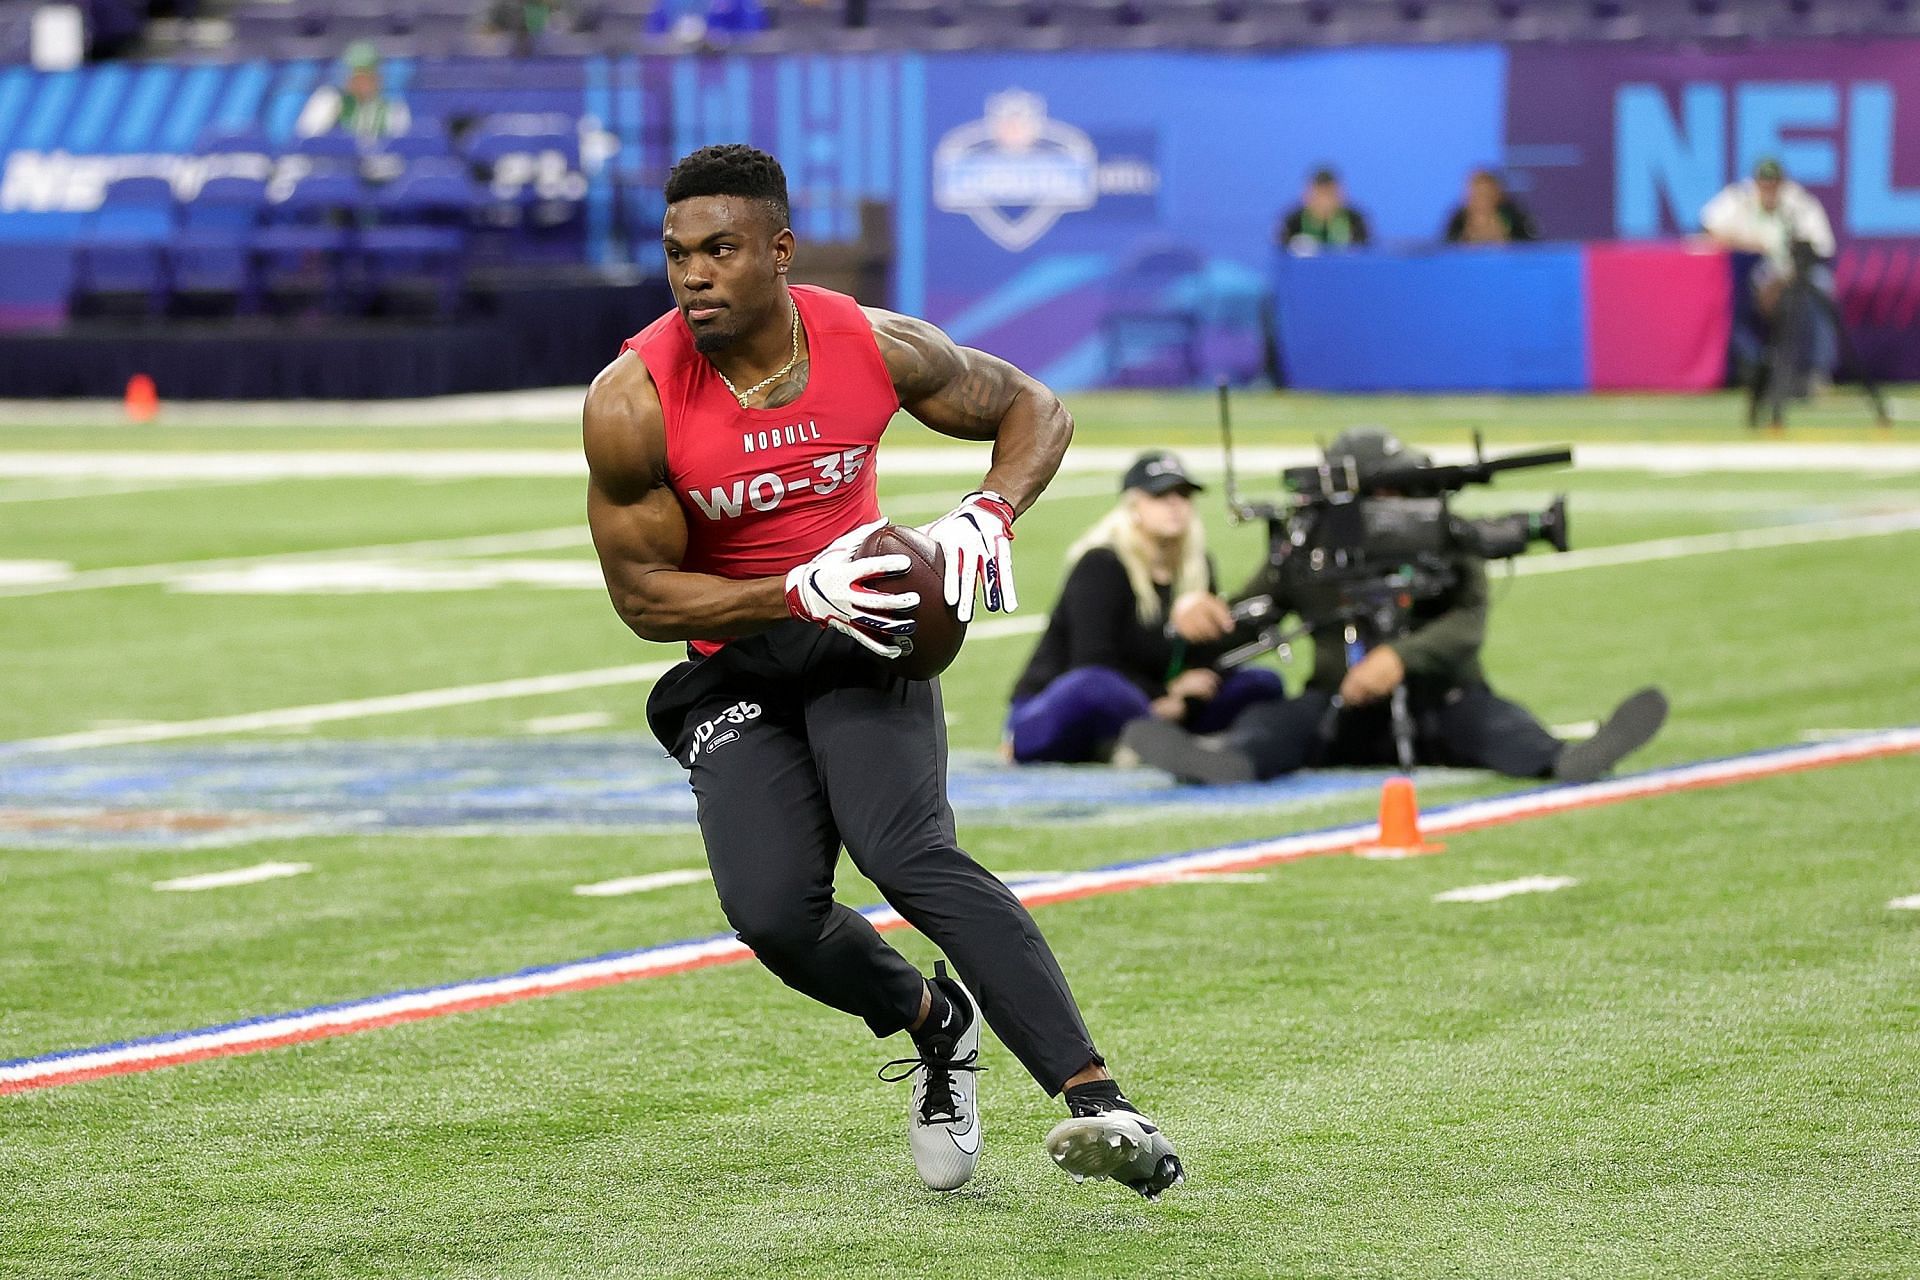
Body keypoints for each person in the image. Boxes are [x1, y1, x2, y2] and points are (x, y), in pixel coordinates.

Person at [582, 144, 1182, 1199]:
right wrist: (792, 589)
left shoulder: (869, 342)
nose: (693, 275)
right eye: (677, 253)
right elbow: (643, 597)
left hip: (868, 631)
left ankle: (1101, 1099)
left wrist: (990, 509)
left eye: (719, 249)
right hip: (738, 654)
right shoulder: (632, 398)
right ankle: (929, 1019)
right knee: (772, 912)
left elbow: (1035, 408)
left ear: (779, 249)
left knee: (907, 853)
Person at [1120, 427, 1668, 787]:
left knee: (1494, 722)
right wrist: (1203, 618)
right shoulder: (1309, 544)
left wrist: (1401, 659)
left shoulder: (1439, 531)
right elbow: (1258, 611)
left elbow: (1467, 623)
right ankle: (1224, 761)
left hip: (1440, 701)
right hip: (1341, 706)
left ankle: (1565, 759)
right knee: (1275, 721)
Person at [1006, 450, 1286, 764]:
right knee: (1095, 685)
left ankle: (1143, 742)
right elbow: (1091, 660)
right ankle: (1155, 741)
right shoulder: (1102, 563)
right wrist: (1164, 694)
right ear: (1134, 505)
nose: (1174, 505)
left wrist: (1186, 700)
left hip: (1161, 707)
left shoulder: (1197, 566)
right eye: (1160, 495)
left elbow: (1205, 659)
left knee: (1261, 682)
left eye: (1183, 495)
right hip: (1057, 709)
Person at [1701, 157, 1838, 391]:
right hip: (1755, 275)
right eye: (1764, 184)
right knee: (1724, 295)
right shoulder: (1740, 199)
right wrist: (1751, 244)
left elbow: (1822, 247)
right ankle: (1754, 367)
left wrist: (1785, 279)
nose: (1768, 190)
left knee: (1823, 287)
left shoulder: (1799, 203)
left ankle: (1817, 372)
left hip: (1797, 272)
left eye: (1773, 184)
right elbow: (1708, 231)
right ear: (1755, 183)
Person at [294, 42, 411, 143]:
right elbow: (306, 140)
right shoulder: (328, 99)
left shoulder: (392, 106)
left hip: (375, 166)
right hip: (331, 164)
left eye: (368, 74)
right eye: (357, 74)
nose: (362, 81)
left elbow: (397, 154)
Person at [1277, 168, 1371, 253]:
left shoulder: (1355, 220)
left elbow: (1365, 249)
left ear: (1341, 194)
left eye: (1329, 194)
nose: (1324, 201)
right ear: (1307, 194)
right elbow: (1281, 251)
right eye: (1319, 194)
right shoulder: (1293, 221)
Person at [1443, 169, 1539, 245]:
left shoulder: (1515, 219)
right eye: (1477, 194)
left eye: (1487, 195)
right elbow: (1447, 247)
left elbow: (1531, 248)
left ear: (1498, 195)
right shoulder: (1458, 221)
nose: (1482, 200)